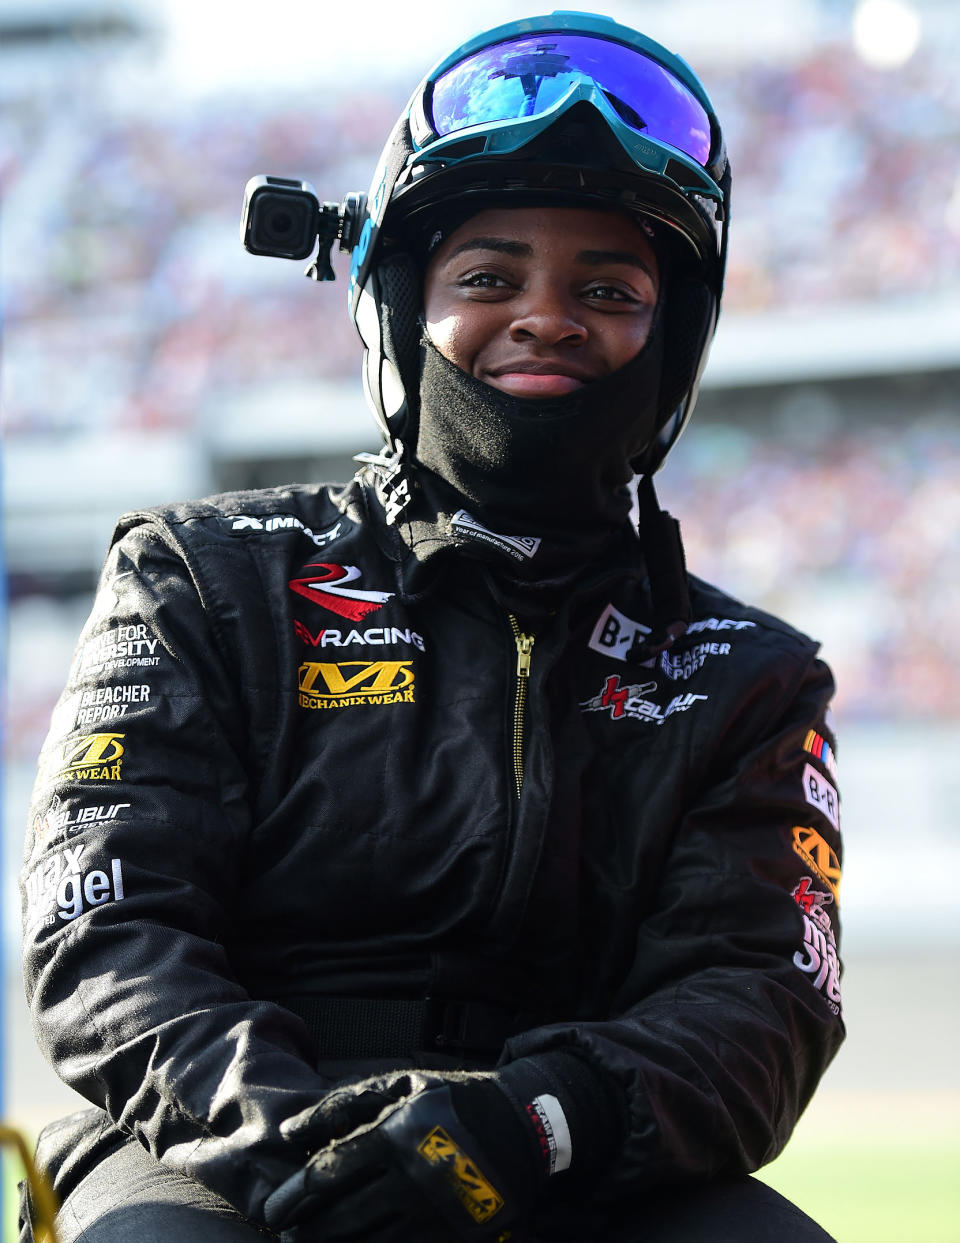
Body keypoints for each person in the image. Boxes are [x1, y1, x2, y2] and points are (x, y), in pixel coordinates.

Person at [20, 11, 845, 1242]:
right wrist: (302, 1146)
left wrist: (522, 1129)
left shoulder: (756, 677)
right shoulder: (196, 575)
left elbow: (758, 1004)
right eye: (488, 276)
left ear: (669, 346)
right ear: (401, 309)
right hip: (221, 1150)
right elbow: (109, 924)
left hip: (570, 1155)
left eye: (607, 289)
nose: (547, 316)